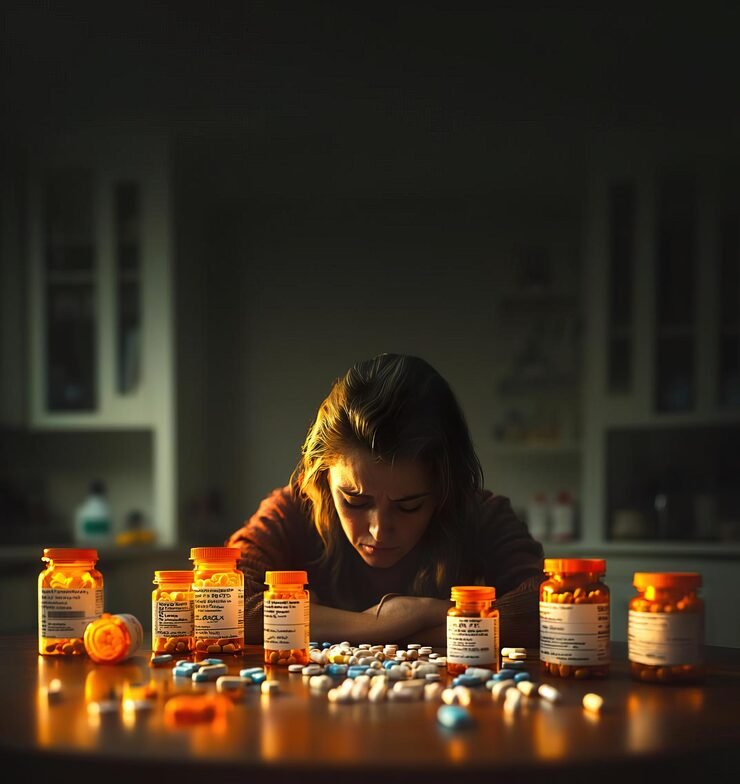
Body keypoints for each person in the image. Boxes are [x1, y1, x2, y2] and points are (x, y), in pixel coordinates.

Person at [227, 353, 544, 648]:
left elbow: (547, 610)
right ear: (324, 476)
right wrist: (382, 622)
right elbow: (222, 603)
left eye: (409, 506)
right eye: (355, 501)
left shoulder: (480, 514)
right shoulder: (292, 510)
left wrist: (418, 613)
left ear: (444, 491)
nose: (379, 531)